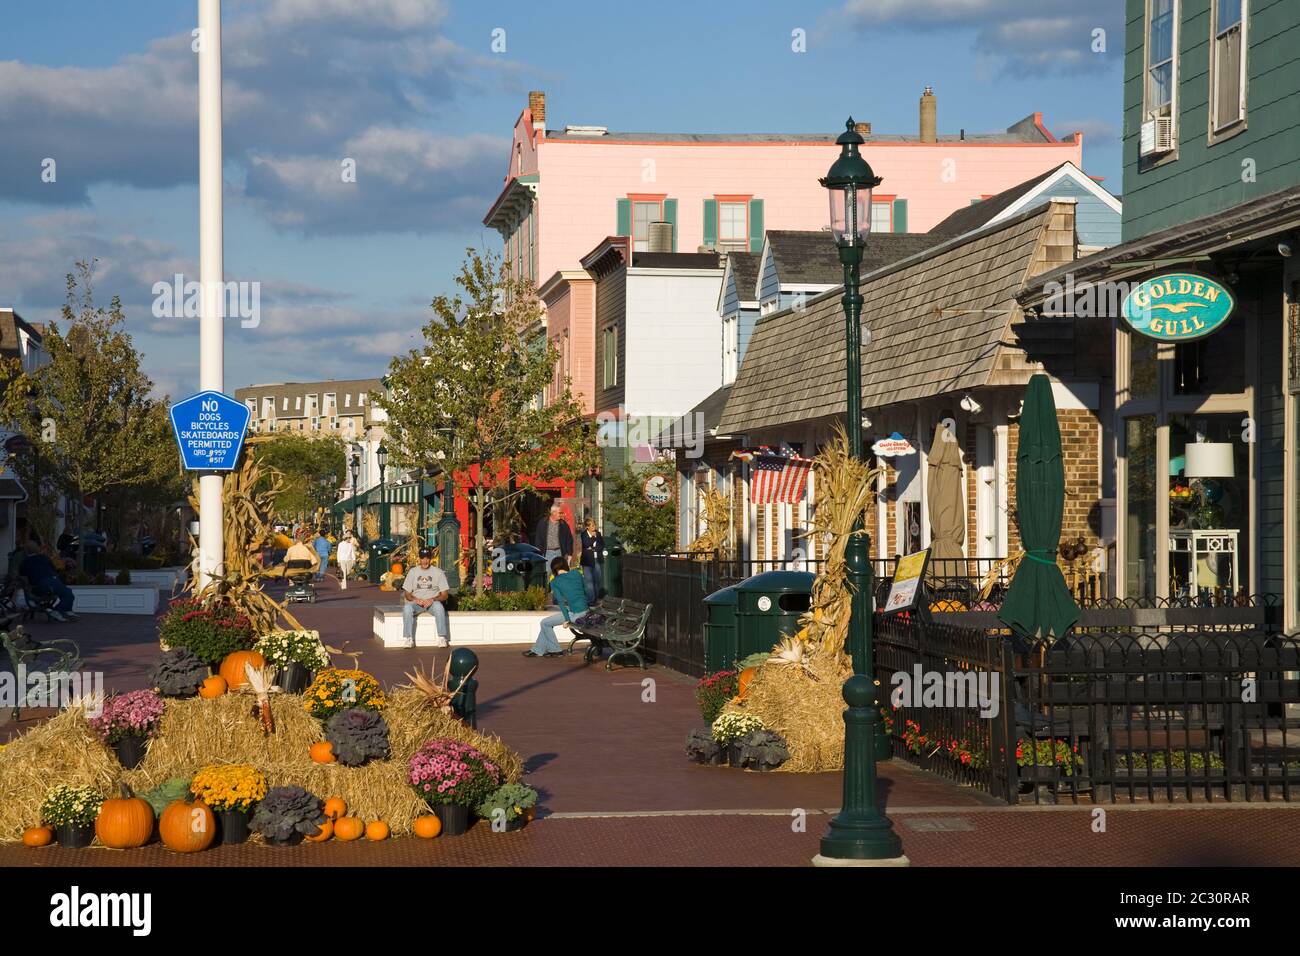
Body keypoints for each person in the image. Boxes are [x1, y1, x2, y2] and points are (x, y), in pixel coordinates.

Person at [523, 556, 588, 658]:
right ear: (565, 565)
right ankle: (537, 650)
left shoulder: (555, 582)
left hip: (575, 615)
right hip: (583, 611)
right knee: (546, 623)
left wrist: (567, 621)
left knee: (545, 623)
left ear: (554, 569)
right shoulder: (577, 574)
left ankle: (556, 650)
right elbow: (586, 591)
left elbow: (561, 603)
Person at [19, 539, 78, 622]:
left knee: (67, 592)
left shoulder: (26, 562)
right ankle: (59, 611)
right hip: (42, 585)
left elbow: (22, 576)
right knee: (67, 593)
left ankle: (61, 610)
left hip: (45, 584)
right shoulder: (41, 559)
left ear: (26, 550)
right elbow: (53, 570)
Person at [402, 547, 450, 648]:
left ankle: (442, 637)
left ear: (431, 559)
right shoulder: (413, 572)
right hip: (416, 602)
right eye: (423, 558)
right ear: (419, 559)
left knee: (439, 607)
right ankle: (408, 638)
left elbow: (445, 595)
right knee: (407, 608)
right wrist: (415, 600)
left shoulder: (438, 572)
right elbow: (407, 594)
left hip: (432, 602)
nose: (425, 561)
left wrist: (432, 599)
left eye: (427, 558)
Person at [532, 503, 573, 569]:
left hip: (559, 552)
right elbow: (538, 540)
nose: (561, 514)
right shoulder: (543, 522)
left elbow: (569, 539)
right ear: (553, 512)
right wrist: (538, 554)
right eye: (560, 513)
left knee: (560, 573)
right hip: (547, 553)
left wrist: (569, 553)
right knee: (547, 574)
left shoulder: (563, 524)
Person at [578, 516, 605, 603]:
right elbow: (586, 544)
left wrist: (593, 548)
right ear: (587, 527)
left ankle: (596, 598)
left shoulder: (598, 534)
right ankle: (590, 600)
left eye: (595, 525)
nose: (594, 527)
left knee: (597, 580)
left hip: (597, 559)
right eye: (592, 525)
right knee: (589, 581)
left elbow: (602, 545)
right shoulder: (584, 534)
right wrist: (593, 538)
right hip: (587, 561)